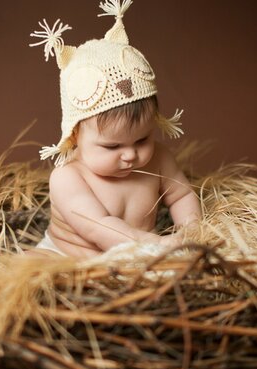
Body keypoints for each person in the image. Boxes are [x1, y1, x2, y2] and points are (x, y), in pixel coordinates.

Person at [29, 0, 201, 258]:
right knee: (29, 267)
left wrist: (191, 232)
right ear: (75, 135)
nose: (131, 155)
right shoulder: (68, 178)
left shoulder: (159, 159)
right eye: (113, 146)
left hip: (135, 257)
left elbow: (181, 196)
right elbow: (99, 228)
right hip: (66, 256)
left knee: (178, 273)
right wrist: (155, 245)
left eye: (142, 139)